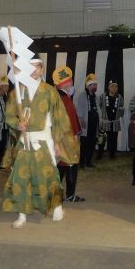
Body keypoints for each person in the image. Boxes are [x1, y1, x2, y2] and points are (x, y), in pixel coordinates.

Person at [2, 58, 75, 228]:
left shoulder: (50, 91)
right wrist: (17, 124)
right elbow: (10, 115)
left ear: (42, 69)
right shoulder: (18, 91)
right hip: (25, 140)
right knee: (21, 177)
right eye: (31, 67)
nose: (34, 70)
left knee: (49, 175)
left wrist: (57, 142)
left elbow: (58, 118)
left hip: (45, 139)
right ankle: (22, 214)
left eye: (38, 67)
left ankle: (57, 206)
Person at [53, 66, 83, 203]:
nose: (71, 83)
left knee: (61, 164)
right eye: (70, 81)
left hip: (59, 137)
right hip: (67, 138)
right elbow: (70, 120)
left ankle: (57, 194)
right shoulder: (65, 99)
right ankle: (68, 195)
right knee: (70, 164)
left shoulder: (57, 97)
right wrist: (75, 135)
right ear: (65, 83)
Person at [75, 73, 99, 168]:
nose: (95, 87)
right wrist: (81, 119)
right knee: (84, 144)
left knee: (92, 143)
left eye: (96, 85)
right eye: (93, 85)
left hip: (94, 124)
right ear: (88, 86)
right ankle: (82, 163)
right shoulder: (83, 95)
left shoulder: (96, 97)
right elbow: (79, 108)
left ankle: (89, 162)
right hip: (86, 124)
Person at [98, 80, 124, 160]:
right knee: (102, 139)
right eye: (112, 86)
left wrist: (119, 114)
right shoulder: (102, 97)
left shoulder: (120, 97)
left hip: (115, 122)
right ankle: (99, 155)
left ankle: (112, 155)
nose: (114, 88)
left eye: (116, 86)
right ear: (108, 87)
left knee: (113, 139)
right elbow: (99, 107)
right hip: (105, 122)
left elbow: (121, 109)